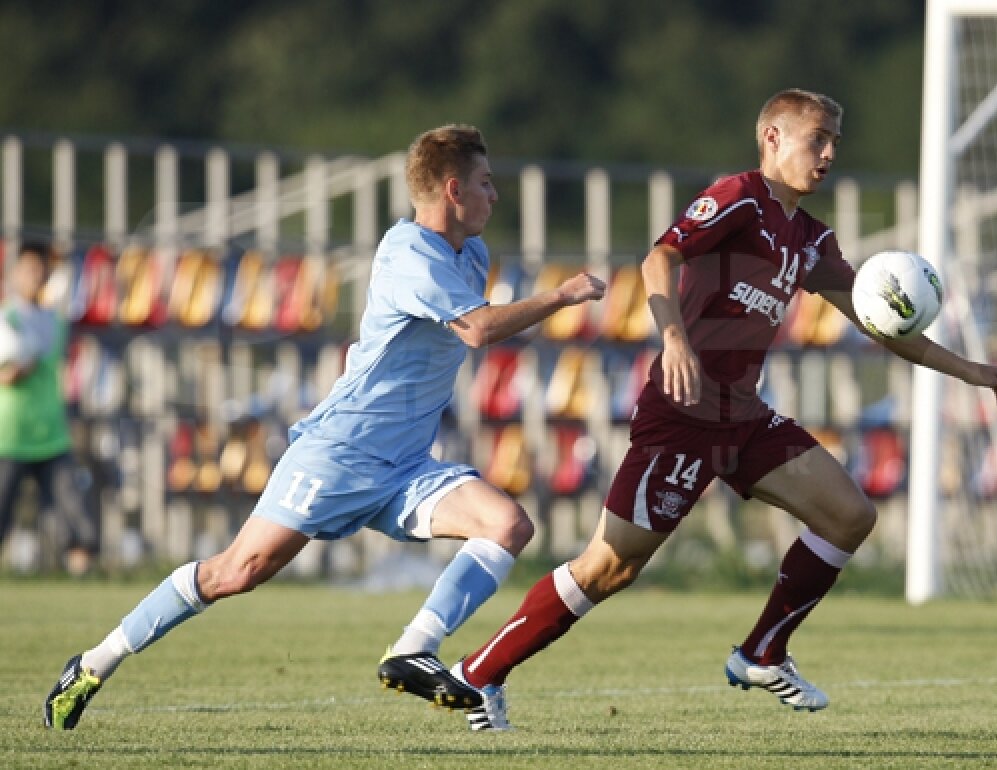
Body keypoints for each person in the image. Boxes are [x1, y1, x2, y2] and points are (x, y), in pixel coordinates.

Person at [450, 89, 997, 731]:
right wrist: (672, 338)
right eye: (817, 138)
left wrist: (973, 371)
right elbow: (659, 257)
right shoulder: (739, 198)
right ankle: (478, 672)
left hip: (743, 417)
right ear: (773, 138)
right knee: (608, 567)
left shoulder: (809, 238)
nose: (829, 152)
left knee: (850, 515)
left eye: (835, 141)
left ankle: (762, 651)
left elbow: (876, 321)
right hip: (682, 414)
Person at [43, 124, 608, 730]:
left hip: (407, 466)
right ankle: (95, 663)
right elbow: (478, 329)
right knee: (237, 572)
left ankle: (414, 650)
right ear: (451, 189)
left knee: (507, 525)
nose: (495, 195)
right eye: (485, 183)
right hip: (339, 454)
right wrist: (563, 295)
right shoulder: (408, 254)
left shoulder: (469, 253)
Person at [0, 240, 98, 576]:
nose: (35, 276)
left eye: (41, 270)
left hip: (52, 434)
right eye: (28, 269)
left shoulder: (55, 322)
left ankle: (82, 579)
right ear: (14, 273)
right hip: (9, 435)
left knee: (75, 512)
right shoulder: (5, 318)